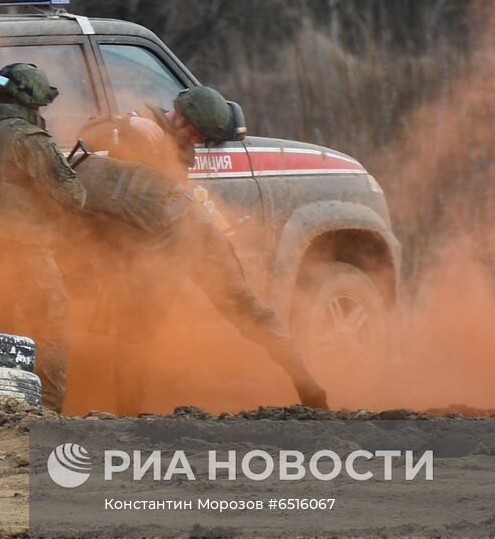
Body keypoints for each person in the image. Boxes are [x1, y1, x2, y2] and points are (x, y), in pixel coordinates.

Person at [74, 86, 329, 412]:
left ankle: (308, 386)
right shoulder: (144, 132)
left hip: (178, 231)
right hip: (167, 232)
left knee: (242, 307)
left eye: (201, 137)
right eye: (194, 132)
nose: (195, 140)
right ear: (180, 115)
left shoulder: (152, 136)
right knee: (137, 330)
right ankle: (128, 412)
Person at [0, 63, 85, 412]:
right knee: (50, 327)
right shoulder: (28, 139)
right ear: (30, 103)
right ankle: (49, 408)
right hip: (26, 253)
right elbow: (72, 196)